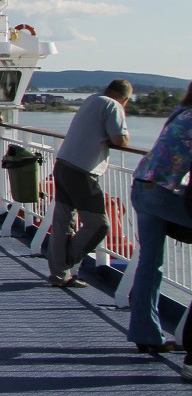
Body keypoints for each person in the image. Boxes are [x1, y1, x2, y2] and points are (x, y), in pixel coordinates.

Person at [127, 83, 192, 354]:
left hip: (143, 186)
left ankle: (146, 335)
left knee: (150, 264)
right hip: (165, 193)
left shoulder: (181, 112)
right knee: (150, 263)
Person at [47, 79, 131, 288]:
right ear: (126, 98)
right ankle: (66, 261)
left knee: (63, 222)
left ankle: (59, 273)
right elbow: (120, 139)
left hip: (64, 164)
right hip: (82, 171)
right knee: (99, 224)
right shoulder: (113, 106)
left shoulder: (92, 99)